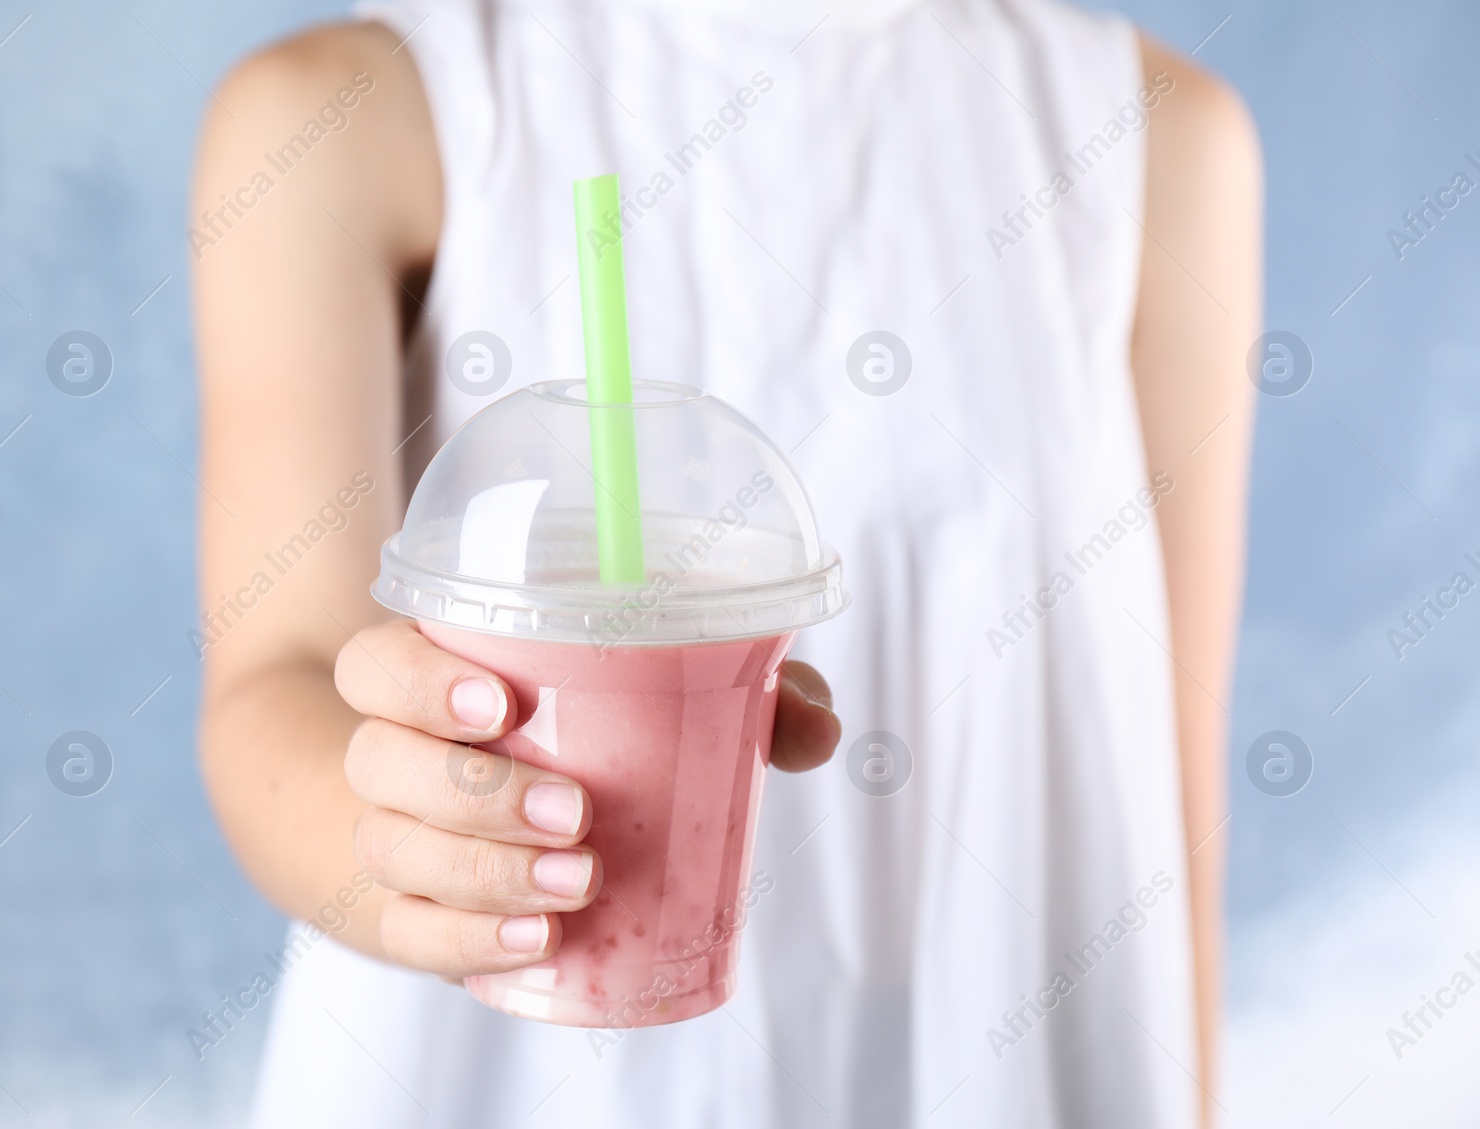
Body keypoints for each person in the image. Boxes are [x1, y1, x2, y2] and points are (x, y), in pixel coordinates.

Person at [190, 0, 1259, 1124]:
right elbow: (281, 678)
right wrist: (431, 856)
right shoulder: (348, 113)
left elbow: (1164, 787)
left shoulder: (1153, 136)